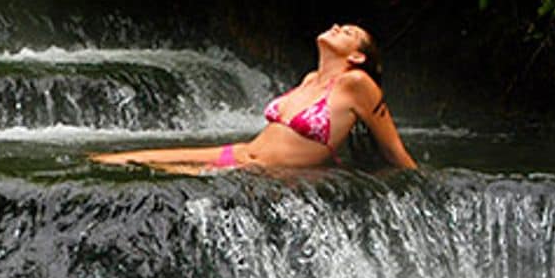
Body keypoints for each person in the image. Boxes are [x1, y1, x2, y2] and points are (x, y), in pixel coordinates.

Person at [90, 24, 417, 173]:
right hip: (240, 155)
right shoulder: (310, 80)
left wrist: (421, 186)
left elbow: (392, 148)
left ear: (358, 57)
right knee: (124, 158)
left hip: (263, 171)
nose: (335, 26)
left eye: (347, 32)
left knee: (157, 172)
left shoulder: (358, 84)